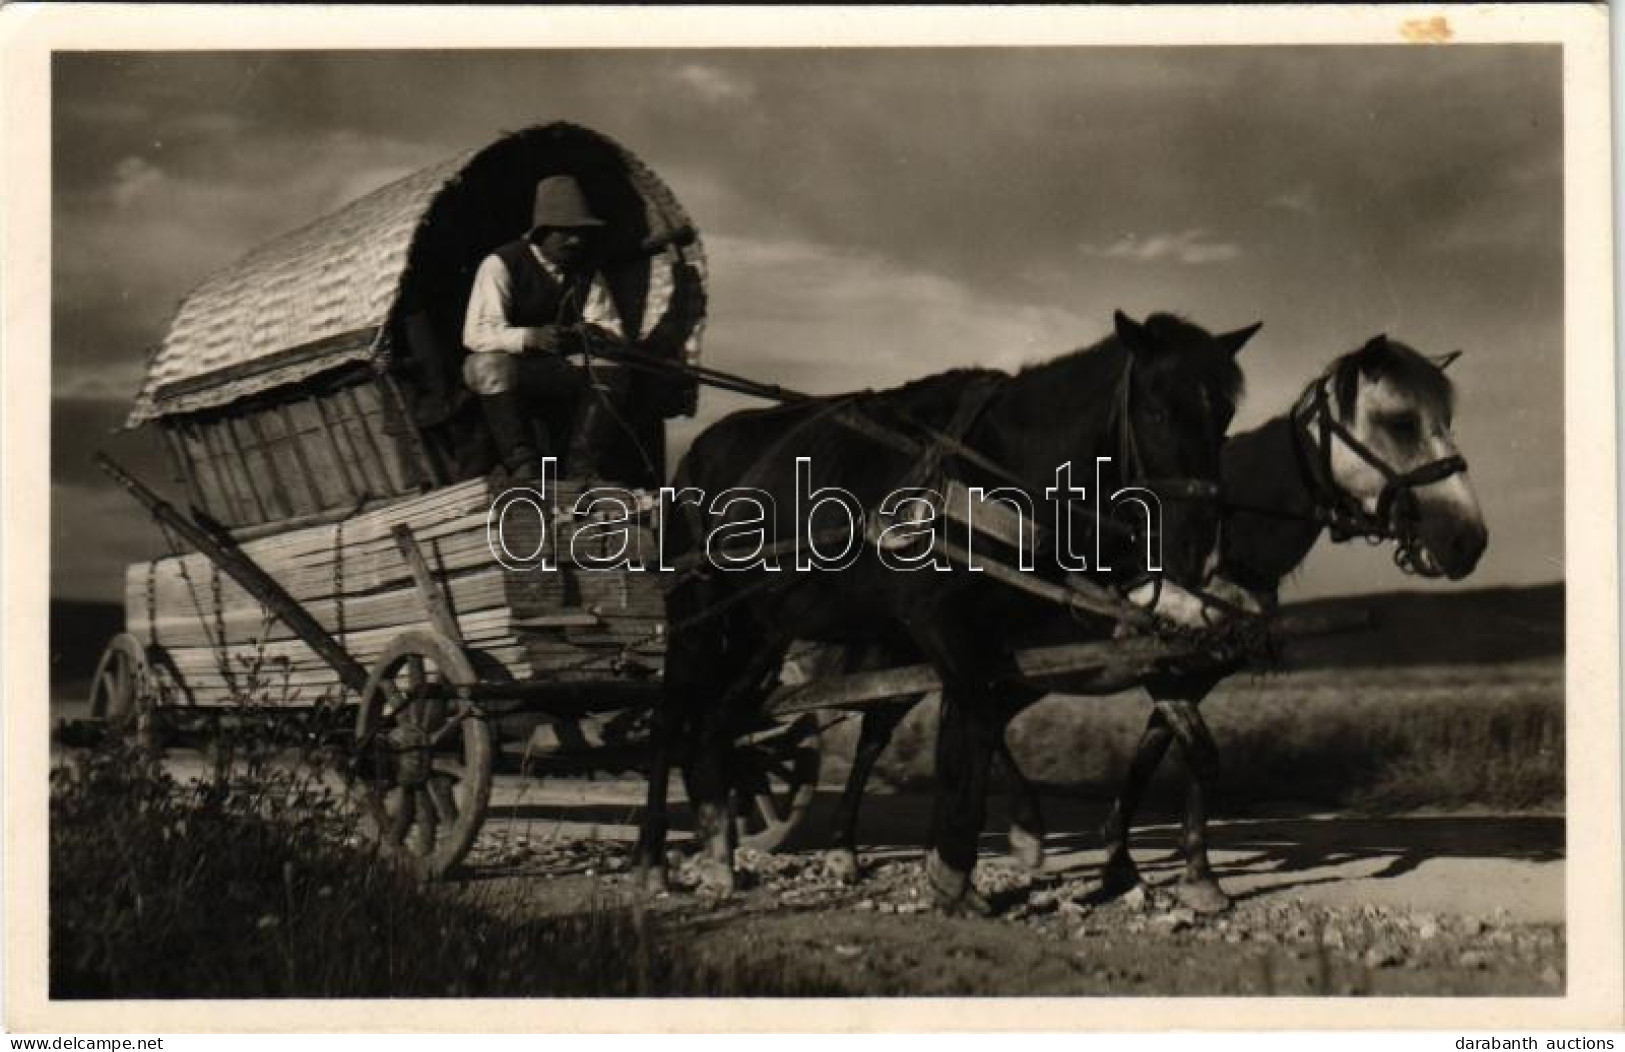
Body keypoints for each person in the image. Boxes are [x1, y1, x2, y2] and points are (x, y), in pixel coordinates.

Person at [462, 174, 635, 481]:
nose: (575, 241)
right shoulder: (502, 264)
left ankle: (583, 466)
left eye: (580, 233)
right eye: (565, 232)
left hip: (559, 371)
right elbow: (476, 335)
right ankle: (522, 463)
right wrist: (531, 337)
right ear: (541, 232)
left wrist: (592, 335)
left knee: (611, 367)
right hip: (516, 371)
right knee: (486, 365)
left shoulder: (586, 273)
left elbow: (611, 329)